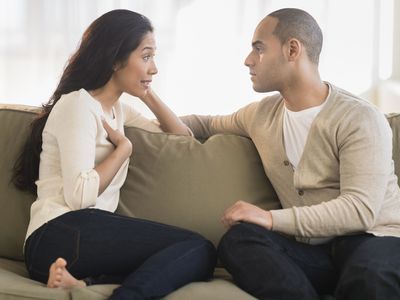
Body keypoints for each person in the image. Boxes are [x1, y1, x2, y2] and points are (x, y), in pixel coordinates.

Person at [181, 7, 400, 300]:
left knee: (369, 276)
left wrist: (270, 218)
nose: (248, 60)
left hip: (374, 240)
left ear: (292, 49)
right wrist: (132, 111)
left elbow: (360, 210)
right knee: (239, 240)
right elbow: (202, 124)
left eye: (258, 49)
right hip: (315, 253)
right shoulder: (260, 114)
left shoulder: (359, 118)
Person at [12, 9, 216, 300]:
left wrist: (146, 91)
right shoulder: (78, 105)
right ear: (116, 59)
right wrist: (123, 150)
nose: (154, 68)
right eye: (146, 57)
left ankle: (81, 282)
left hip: (74, 246)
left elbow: (181, 139)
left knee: (196, 254)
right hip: (57, 233)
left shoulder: (117, 110)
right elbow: (80, 197)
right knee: (197, 247)